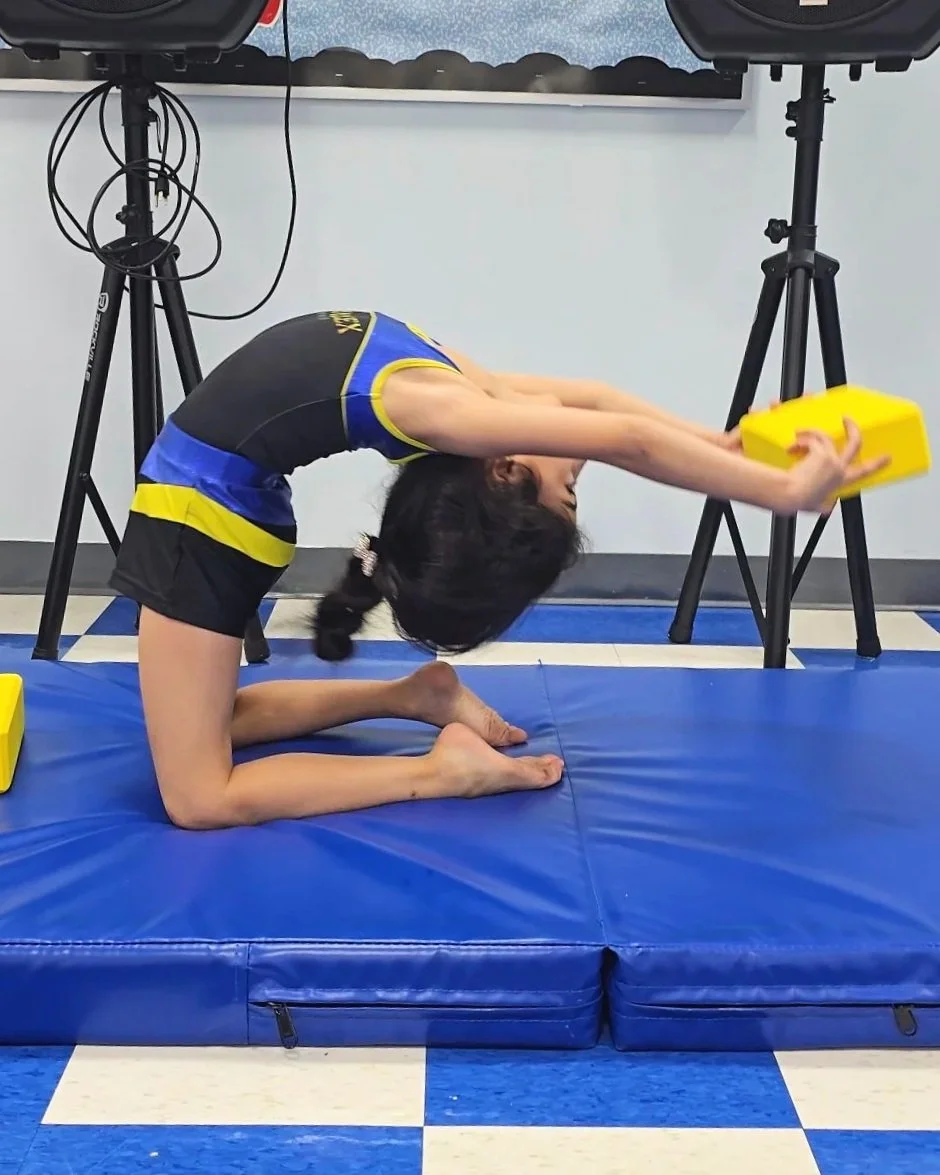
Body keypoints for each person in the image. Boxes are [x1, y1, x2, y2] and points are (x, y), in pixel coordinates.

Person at [110, 309, 887, 830]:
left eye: (569, 487)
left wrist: (747, 468)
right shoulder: (458, 409)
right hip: (215, 509)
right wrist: (752, 471)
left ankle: (439, 771)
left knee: (200, 797)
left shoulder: (459, 409)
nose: (577, 463)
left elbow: (607, 423)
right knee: (213, 727)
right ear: (503, 471)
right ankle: (413, 694)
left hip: (199, 517)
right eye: (571, 489)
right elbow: (609, 418)